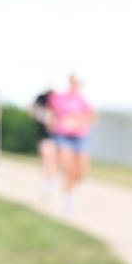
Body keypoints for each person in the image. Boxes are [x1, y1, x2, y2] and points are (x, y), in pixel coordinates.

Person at [49, 75, 94, 215]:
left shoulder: (83, 100)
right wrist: (55, 124)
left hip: (81, 138)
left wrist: (81, 122)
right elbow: (52, 115)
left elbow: (91, 115)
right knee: (70, 169)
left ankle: (69, 189)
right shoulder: (60, 98)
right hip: (64, 137)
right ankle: (69, 198)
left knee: (81, 173)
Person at [31, 88, 58, 199]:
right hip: (44, 138)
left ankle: (50, 182)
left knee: (52, 162)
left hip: (56, 138)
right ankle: (47, 184)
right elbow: (33, 113)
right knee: (47, 160)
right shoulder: (41, 110)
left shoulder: (56, 110)